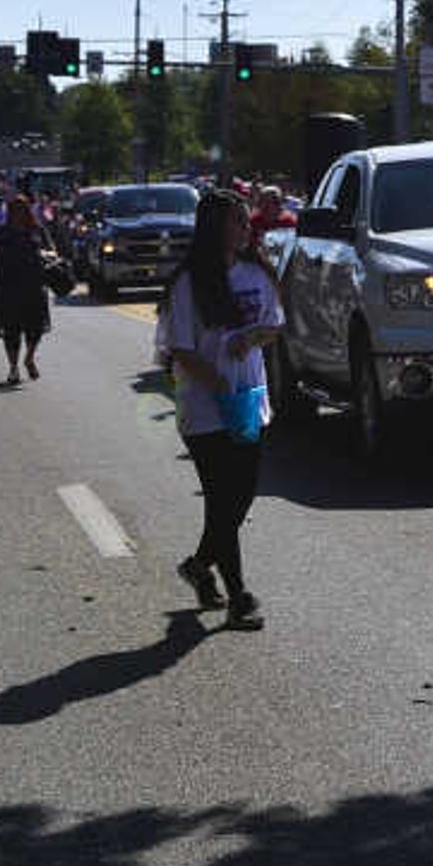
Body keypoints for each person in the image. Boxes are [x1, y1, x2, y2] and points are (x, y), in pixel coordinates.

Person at [157, 189, 282, 628]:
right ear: (215, 228)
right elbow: (181, 350)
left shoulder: (255, 274)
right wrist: (219, 387)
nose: (247, 229)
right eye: (238, 222)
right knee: (222, 498)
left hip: (249, 402)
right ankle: (239, 597)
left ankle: (198, 565)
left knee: (239, 499)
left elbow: (273, 325)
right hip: (205, 410)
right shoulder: (188, 284)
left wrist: (253, 338)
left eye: (247, 222)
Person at [0, 194, 58, 381]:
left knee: (35, 329)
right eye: (14, 210)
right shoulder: (0, 233)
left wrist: (46, 254)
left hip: (34, 288)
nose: (18, 214)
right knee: (11, 331)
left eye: (22, 210)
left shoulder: (37, 231)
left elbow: (53, 252)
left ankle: (29, 359)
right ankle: (13, 367)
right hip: (7, 289)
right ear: (9, 213)